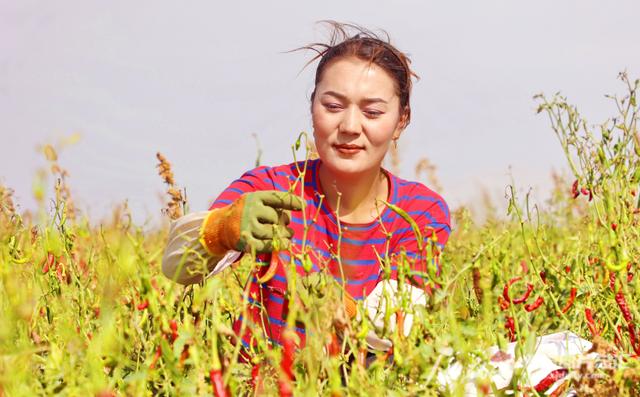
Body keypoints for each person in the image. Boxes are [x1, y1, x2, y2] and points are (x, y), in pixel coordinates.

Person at [162, 22, 451, 353]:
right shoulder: (270, 188)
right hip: (262, 381)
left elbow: (392, 330)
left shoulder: (419, 211)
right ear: (312, 108)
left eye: (372, 112)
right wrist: (221, 229)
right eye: (332, 106)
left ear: (401, 121)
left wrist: (325, 297)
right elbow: (177, 266)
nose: (350, 127)